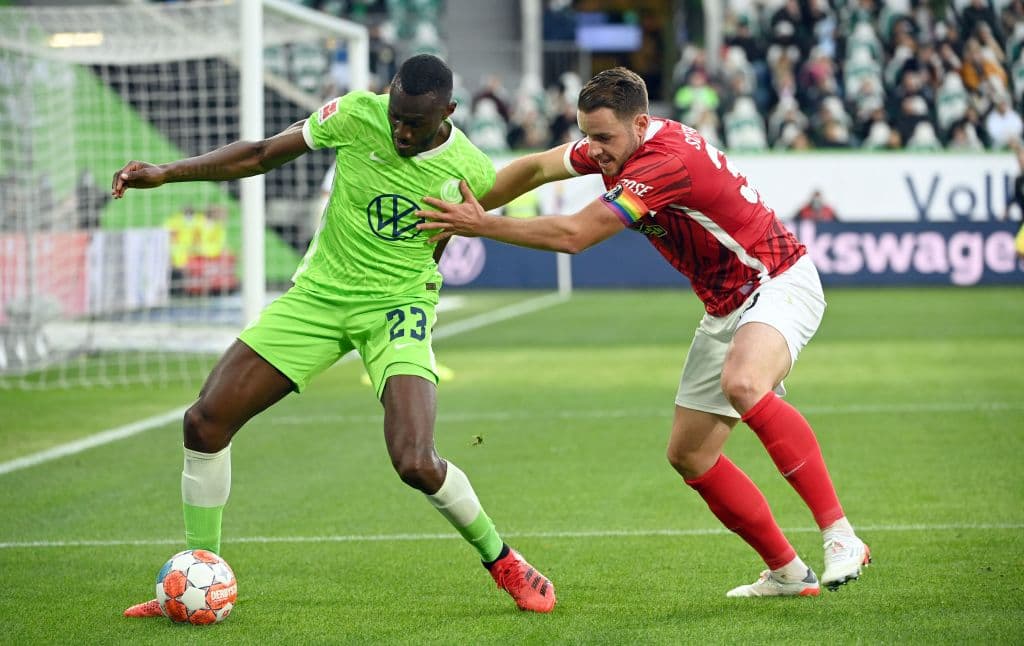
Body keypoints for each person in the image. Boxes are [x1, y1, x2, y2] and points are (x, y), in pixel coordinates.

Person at [113, 54, 555, 617]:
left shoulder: (470, 166)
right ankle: (202, 574)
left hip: (396, 308)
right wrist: (167, 172)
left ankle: (504, 561)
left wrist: (415, 289)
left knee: (415, 461)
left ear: (448, 111)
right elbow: (259, 154)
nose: (400, 130)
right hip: (320, 297)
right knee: (204, 422)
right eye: (395, 116)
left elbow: (451, 238)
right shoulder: (353, 115)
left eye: (414, 123)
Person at [418, 67, 870, 598]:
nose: (594, 149)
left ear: (641, 122)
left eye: (604, 138)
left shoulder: (664, 162)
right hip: (726, 304)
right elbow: (537, 167)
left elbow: (574, 235)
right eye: (588, 135)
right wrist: (461, 204)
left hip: (777, 279)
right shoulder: (617, 144)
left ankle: (841, 534)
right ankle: (789, 573)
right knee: (690, 455)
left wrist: (483, 225)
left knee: (744, 383)